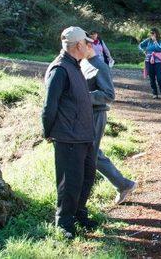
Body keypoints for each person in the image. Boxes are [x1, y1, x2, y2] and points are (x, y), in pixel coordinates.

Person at [41, 27, 97, 239]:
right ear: (78, 46)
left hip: (84, 135)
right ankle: (64, 223)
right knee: (69, 182)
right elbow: (49, 105)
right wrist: (47, 132)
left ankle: (80, 214)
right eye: (87, 43)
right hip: (68, 136)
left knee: (86, 178)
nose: (90, 46)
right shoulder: (60, 69)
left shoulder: (75, 65)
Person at [81, 41, 138, 206]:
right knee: (91, 151)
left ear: (89, 46)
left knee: (91, 152)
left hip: (97, 114)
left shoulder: (100, 66)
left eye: (80, 46)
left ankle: (123, 184)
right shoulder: (84, 62)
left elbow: (109, 94)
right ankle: (123, 184)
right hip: (87, 114)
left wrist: (84, 96)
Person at [139, 28, 161, 99]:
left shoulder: (160, 41)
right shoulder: (148, 41)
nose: (152, 35)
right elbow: (140, 46)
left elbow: (160, 49)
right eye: (151, 33)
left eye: (153, 33)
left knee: (159, 78)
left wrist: (155, 41)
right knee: (151, 78)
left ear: (157, 33)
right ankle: (154, 93)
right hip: (149, 61)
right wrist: (143, 51)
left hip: (158, 62)